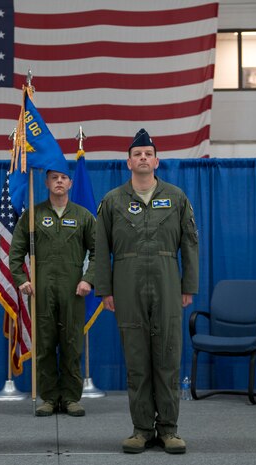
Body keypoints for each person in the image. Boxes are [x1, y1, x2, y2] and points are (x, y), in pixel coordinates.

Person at [94, 129, 199, 455]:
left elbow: (190, 244)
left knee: (167, 358)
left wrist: (189, 286)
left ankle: (168, 430)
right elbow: (101, 248)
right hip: (127, 285)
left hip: (167, 283)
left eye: (147, 153)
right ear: (128, 162)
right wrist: (105, 289)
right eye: (136, 153)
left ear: (156, 160)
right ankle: (141, 430)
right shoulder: (112, 200)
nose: (142, 158)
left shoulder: (177, 197)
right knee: (137, 359)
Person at [9, 169, 96, 417]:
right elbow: (15, 253)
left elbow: (99, 251)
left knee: (72, 344)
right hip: (41, 290)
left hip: (73, 291)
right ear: (46, 182)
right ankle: (48, 397)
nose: (59, 181)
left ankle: (70, 397)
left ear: (71, 182)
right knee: (45, 344)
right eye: (54, 177)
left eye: (64, 178)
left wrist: (88, 280)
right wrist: (21, 279)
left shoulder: (83, 216)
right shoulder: (33, 215)